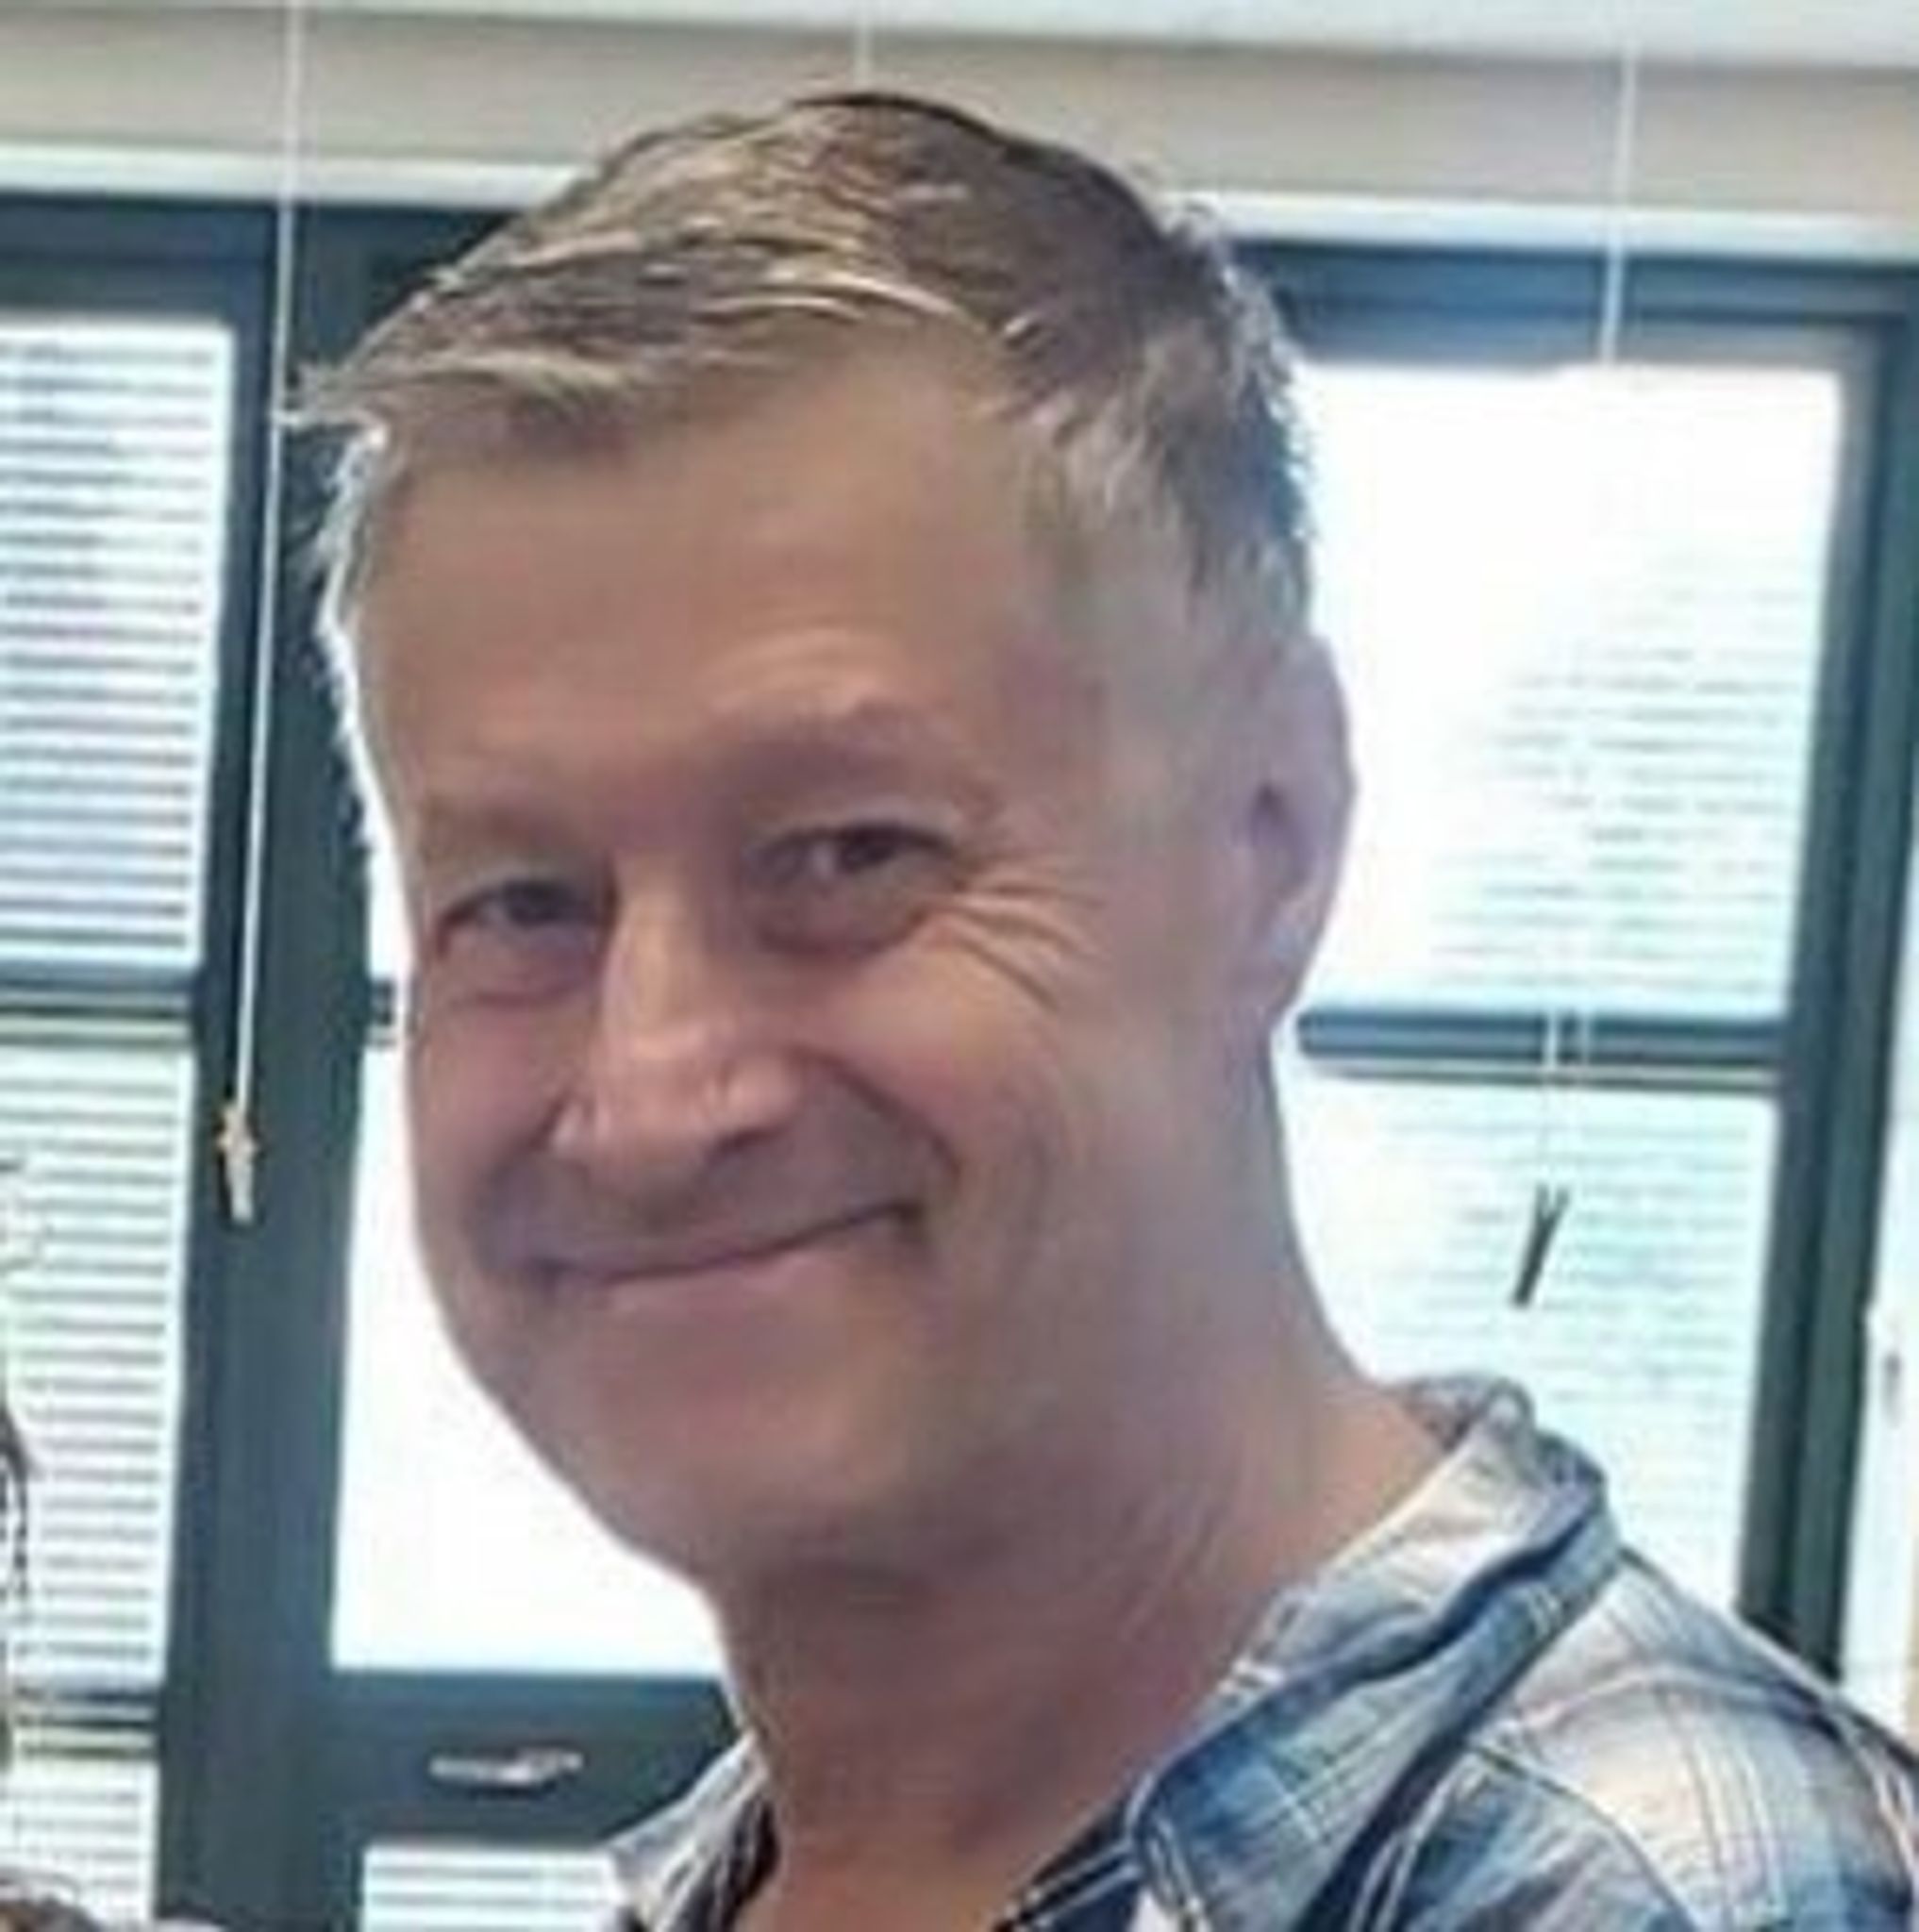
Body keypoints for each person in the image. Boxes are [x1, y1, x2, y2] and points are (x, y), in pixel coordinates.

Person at [313, 92, 1919, 1929]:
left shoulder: (1658, 1891)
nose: (652, 1095)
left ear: (1269, 843)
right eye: (523, 902)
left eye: (846, 854)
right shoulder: (776, 1866)